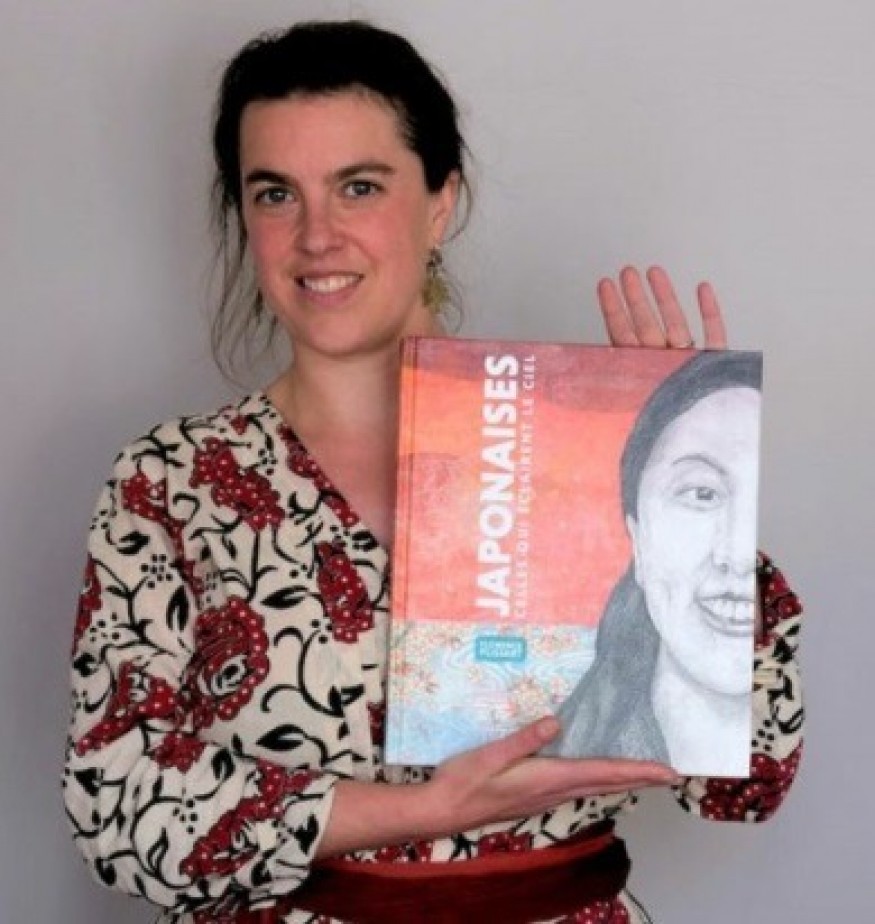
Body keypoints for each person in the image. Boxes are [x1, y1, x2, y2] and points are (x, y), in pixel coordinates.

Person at [63, 20, 804, 924]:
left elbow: (748, 780)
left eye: (359, 186)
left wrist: (694, 479)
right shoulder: (171, 481)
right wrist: (422, 810)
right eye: (275, 194)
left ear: (440, 201)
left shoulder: (576, 448)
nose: (317, 236)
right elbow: (116, 808)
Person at [547, 351, 766, 774]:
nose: (740, 554)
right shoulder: (564, 749)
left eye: (760, 498)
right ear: (637, 536)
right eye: (702, 493)